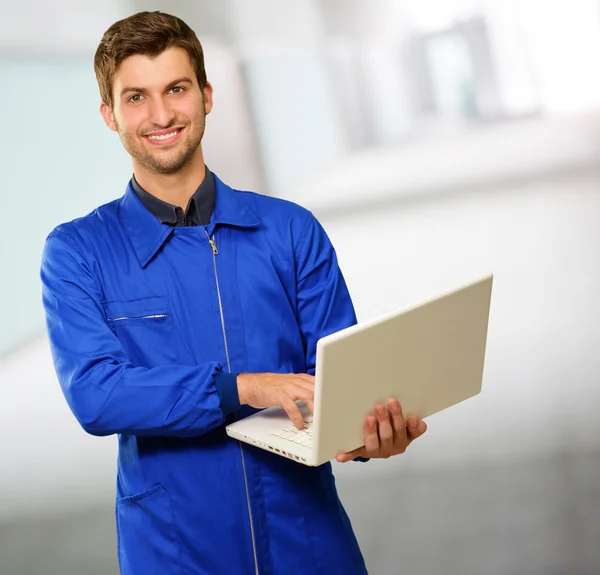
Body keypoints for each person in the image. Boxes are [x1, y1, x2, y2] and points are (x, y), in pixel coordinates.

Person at [40, 11, 427, 575]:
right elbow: (97, 395)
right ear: (109, 115)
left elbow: (341, 381)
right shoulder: (79, 252)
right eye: (136, 98)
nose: (161, 114)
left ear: (207, 94)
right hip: (175, 552)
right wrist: (244, 387)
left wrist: (370, 434)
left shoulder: (290, 231)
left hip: (309, 545)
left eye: (176, 89)